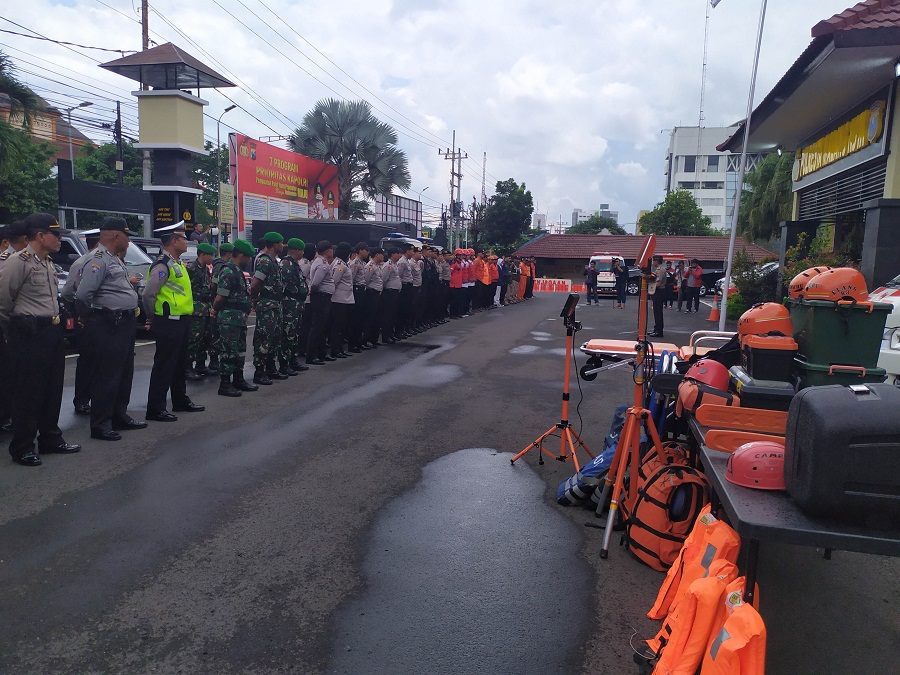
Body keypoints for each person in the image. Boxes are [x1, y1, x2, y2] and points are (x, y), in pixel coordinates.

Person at [0, 213, 81, 465]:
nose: (59, 239)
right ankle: (22, 446)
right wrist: (14, 330)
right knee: (29, 392)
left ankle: (50, 438)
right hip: (29, 333)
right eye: (55, 234)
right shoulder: (18, 261)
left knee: (51, 388)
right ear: (39, 236)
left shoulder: (47, 262)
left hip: (51, 331)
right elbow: (3, 300)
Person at [75, 217, 146, 441]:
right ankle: (100, 423)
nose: (128, 240)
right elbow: (82, 295)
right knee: (107, 376)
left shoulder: (116, 259)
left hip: (123, 323)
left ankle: (118, 415)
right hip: (107, 323)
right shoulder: (98, 260)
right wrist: (93, 320)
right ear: (116, 236)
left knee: (124, 373)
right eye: (127, 235)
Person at [143, 221, 205, 422]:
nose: (187, 242)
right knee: (164, 365)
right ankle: (155, 408)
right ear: (174, 241)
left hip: (182, 320)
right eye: (183, 239)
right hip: (168, 321)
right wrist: (152, 317)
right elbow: (149, 294)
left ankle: (180, 400)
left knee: (180, 364)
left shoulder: (177, 263)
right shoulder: (163, 265)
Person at [213, 239, 259, 397]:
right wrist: (215, 310)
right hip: (229, 319)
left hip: (239, 319)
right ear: (240, 255)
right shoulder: (228, 271)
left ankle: (238, 379)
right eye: (247, 257)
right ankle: (225, 384)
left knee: (240, 351)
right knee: (228, 351)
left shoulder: (238, 271)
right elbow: (220, 297)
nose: (249, 260)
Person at [251, 231, 288, 384]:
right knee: (264, 339)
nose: (282, 246)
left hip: (275, 305)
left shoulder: (274, 261)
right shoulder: (265, 261)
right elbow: (255, 284)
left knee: (274, 338)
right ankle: (259, 372)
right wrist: (255, 300)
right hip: (267, 305)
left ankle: (271, 368)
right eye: (280, 243)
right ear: (274, 245)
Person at [186, 242, 216, 380]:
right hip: (195, 308)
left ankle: (200, 364)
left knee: (204, 338)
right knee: (194, 338)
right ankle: (187, 367)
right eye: (211, 255)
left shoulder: (205, 269)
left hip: (204, 307)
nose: (212, 258)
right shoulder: (192, 268)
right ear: (203, 254)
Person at [279, 238, 309, 374]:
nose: (303, 253)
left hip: (296, 305)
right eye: (302, 250)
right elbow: (283, 287)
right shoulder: (286, 265)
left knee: (294, 334)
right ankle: (285, 363)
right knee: (287, 334)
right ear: (297, 251)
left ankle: (293, 360)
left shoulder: (294, 264)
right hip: (289, 305)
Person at [305, 240, 335, 365]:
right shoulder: (322, 264)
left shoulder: (321, 262)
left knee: (322, 327)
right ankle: (311, 356)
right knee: (317, 327)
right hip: (320, 297)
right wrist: (316, 294)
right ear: (328, 251)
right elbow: (316, 283)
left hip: (322, 297)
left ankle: (321, 353)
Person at [207, 242, 235, 374]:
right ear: (229, 253)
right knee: (216, 334)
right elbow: (214, 285)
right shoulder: (220, 266)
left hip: (219, 302)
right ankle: (213, 361)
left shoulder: (219, 265)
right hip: (218, 302)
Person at [329, 241, 354, 359]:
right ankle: (335, 350)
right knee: (337, 327)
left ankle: (340, 349)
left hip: (345, 299)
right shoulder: (339, 265)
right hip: (339, 300)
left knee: (342, 326)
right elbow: (334, 281)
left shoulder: (344, 263)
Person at [347, 242, 369, 352]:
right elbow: (351, 279)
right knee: (355, 319)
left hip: (362, 291)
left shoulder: (362, 263)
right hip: (357, 290)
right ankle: (352, 344)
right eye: (366, 250)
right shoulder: (355, 263)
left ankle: (358, 342)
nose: (367, 252)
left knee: (360, 318)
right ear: (360, 250)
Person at [361, 247, 384, 348]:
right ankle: (366, 340)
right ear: (377, 255)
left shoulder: (376, 266)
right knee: (369, 318)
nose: (383, 256)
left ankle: (373, 339)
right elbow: (365, 280)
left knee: (376, 318)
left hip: (377, 294)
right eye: (381, 254)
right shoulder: (370, 266)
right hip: (371, 294)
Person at [380, 247, 402, 343]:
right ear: (393, 254)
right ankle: (386, 336)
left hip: (395, 293)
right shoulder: (388, 265)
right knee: (388, 315)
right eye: (398, 253)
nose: (400, 255)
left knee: (393, 314)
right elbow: (383, 279)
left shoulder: (394, 265)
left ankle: (391, 334)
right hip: (390, 292)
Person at [649, 254, 666, 338]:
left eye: (653, 260)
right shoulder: (658, 269)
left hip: (659, 291)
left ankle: (659, 331)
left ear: (656, 261)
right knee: (656, 311)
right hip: (657, 291)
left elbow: (658, 283)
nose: (652, 262)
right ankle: (656, 329)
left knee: (658, 312)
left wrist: (650, 282)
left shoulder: (660, 270)